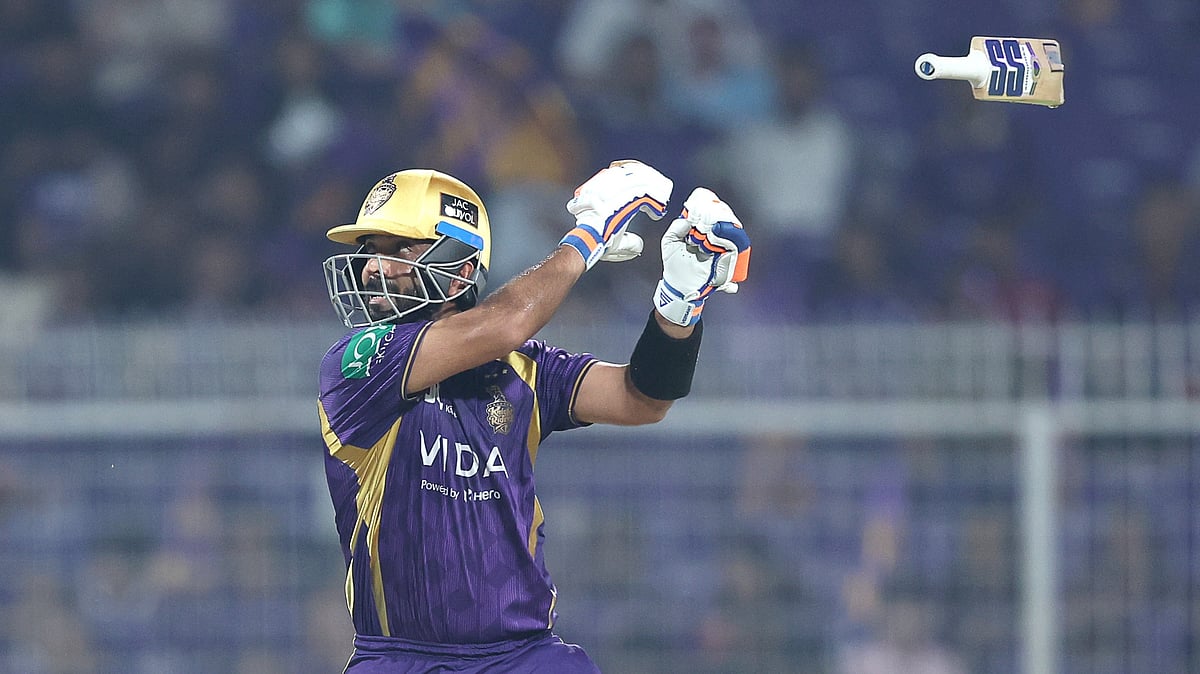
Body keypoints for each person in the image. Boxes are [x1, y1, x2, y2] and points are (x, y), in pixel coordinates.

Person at [316, 161, 750, 672]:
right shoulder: (357, 360)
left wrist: (679, 304)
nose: (372, 266)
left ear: (459, 268)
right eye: (372, 249)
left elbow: (642, 399)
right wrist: (587, 236)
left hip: (523, 657)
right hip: (402, 660)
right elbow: (505, 324)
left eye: (400, 249)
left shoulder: (525, 368)